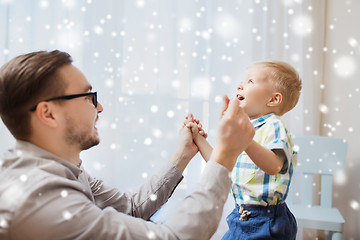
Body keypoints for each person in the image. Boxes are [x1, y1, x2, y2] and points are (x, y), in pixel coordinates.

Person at [0, 50, 255, 240]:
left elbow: (130, 208)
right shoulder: (41, 199)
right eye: (89, 97)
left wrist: (183, 156)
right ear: (48, 114)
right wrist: (224, 157)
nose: (100, 107)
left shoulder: (64, 170)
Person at [185, 61, 302, 239]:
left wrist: (244, 139)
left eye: (250, 81)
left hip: (267, 222)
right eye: (242, 81)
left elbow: (275, 166)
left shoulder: (273, 126)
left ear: (273, 99)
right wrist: (198, 138)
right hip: (240, 215)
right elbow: (219, 162)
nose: (240, 85)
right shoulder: (247, 129)